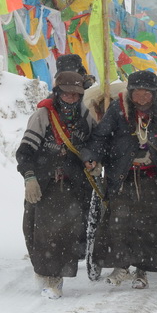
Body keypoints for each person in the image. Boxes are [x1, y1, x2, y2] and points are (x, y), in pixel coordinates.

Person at [80, 70, 157, 290]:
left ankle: (142, 270)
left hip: (153, 177)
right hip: (122, 175)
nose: (142, 97)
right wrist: (91, 156)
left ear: (154, 93)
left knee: (150, 224)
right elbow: (100, 138)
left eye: (147, 93)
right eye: (137, 93)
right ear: (130, 92)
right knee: (119, 222)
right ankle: (121, 267)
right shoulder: (118, 110)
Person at [16, 71, 96, 299]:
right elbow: (25, 152)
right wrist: (29, 177)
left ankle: (54, 279)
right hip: (44, 183)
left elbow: (93, 144)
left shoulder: (85, 116)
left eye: (75, 94)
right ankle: (43, 271)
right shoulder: (42, 116)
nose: (71, 98)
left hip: (73, 185)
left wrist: (92, 159)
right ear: (58, 93)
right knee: (35, 232)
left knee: (63, 233)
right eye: (66, 94)